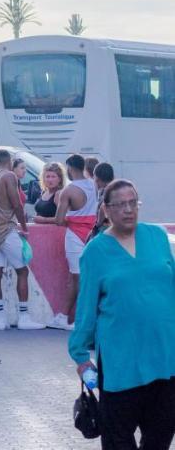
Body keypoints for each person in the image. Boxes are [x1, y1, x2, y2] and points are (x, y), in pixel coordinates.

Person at [69, 178, 175, 450]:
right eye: (120, 204)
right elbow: (86, 306)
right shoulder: (95, 252)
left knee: (160, 438)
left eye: (133, 202)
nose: (128, 210)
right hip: (121, 365)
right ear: (106, 210)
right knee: (118, 440)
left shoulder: (157, 236)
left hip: (165, 359)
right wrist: (81, 356)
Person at [35, 152, 99, 329]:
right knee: (84, 277)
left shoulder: (68, 191)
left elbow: (59, 220)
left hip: (75, 236)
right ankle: (72, 317)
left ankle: (70, 317)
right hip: (91, 234)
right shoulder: (94, 185)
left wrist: (41, 219)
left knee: (76, 279)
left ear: (70, 169)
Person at [0, 148, 42, 331]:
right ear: (9, 162)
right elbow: (16, 204)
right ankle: (23, 316)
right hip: (8, 230)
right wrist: (24, 226)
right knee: (22, 271)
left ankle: (1, 318)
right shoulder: (9, 176)